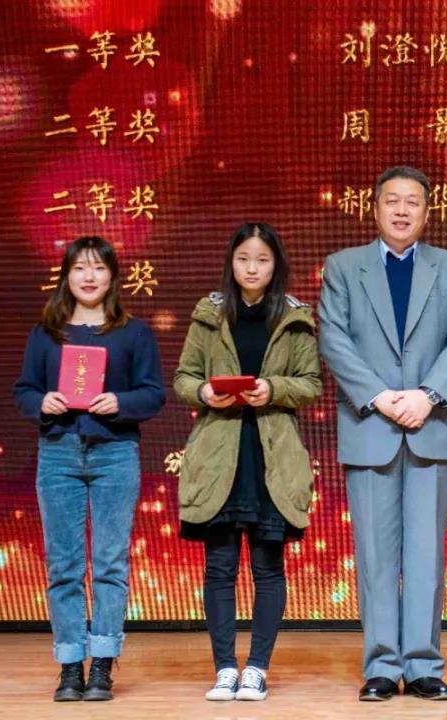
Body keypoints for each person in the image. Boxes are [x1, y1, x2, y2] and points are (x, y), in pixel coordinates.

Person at [319, 165, 447, 701]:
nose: (402, 210)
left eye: (413, 202)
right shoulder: (344, 267)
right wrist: (381, 396)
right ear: (375, 208)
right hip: (370, 424)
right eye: (392, 200)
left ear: (427, 212)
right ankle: (383, 666)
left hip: (430, 424)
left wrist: (427, 395)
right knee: (375, 555)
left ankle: (425, 664)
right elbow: (334, 338)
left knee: (426, 554)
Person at [173, 222, 322, 702]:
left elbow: (312, 384)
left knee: (267, 567)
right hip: (219, 453)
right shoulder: (209, 314)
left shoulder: (294, 317)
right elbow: (183, 376)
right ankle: (223, 668)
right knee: (219, 567)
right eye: (243, 259)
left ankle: (256, 668)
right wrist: (204, 391)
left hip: (270, 454)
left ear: (276, 264)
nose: (252, 268)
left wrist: (272, 389)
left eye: (261, 260)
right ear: (231, 263)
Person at [14, 236, 165, 701]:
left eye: (99, 267)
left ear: (113, 276)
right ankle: (68, 666)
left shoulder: (134, 332)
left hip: (114, 452)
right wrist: (41, 401)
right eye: (79, 267)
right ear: (66, 275)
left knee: (109, 563)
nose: (89, 276)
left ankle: (101, 663)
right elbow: (24, 390)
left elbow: (153, 393)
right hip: (58, 452)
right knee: (63, 565)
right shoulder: (47, 332)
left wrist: (120, 401)